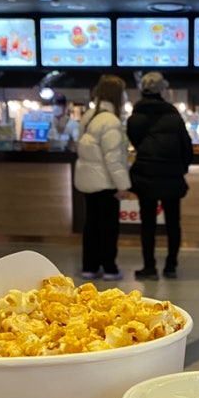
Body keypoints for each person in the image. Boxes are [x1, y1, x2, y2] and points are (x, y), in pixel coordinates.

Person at [126, 71, 193, 281]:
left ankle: (149, 267)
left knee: (148, 225)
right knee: (173, 223)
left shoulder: (135, 117)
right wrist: (180, 168)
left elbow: (136, 143)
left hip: (146, 177)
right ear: (162, 90)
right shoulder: (174, 117)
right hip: (171, 176)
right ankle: (171, 266)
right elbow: (187, 147)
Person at [73, 74, 131, 281]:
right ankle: (109, 268)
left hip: (88, 180)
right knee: (108, 227)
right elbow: (113, 158)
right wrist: (123, 185)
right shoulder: (111, 121)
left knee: (92, 225)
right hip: (106, 182)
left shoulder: (89, 116)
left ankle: (89, 266)